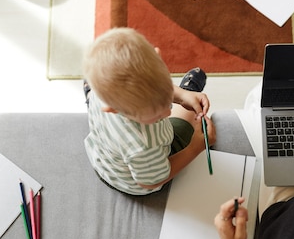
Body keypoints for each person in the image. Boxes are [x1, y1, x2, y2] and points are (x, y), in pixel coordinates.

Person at [82, 27, 215, 195]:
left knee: (167, 99)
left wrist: (181, 96)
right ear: (114, 109)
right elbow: (153, 181)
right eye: (157, 114)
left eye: (167, 93)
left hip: (104, 157)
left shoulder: (105, 92)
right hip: (140, 178)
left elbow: (149, 88)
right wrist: (196, 147)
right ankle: (185, 92)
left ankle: (182, 91)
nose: (168, 112)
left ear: (157, 55)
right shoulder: (142, 145)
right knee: (192, 117)